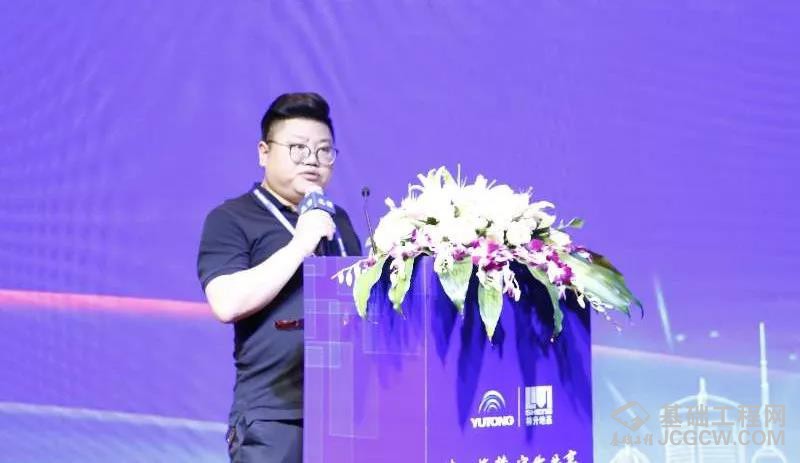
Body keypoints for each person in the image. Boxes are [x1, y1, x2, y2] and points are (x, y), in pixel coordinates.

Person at [197, 92, 361, 463]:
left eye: (324, 150)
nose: (313, 160)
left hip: (346, 411)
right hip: (274, 416)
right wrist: (300, 244)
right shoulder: (232, 219)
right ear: (264, 152)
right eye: (298, 148)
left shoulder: (339, 220)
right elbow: (226, 303)